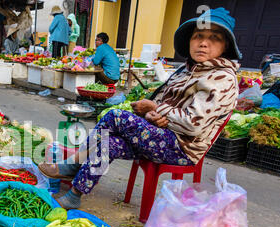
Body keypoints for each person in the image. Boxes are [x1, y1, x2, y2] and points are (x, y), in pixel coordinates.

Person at [38, 7, 242, 210]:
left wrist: (157, 109)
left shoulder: (222, 78)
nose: (203, 43)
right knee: (109, 142)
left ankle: (73, 165)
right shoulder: (187, 70)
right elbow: (163, 102)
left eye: (214, 37)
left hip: (181, 148)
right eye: (198, 36)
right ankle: (75, 194)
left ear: (225, 46)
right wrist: (155, 114)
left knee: (114, 116)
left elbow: (192, 125)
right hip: (162, 133)